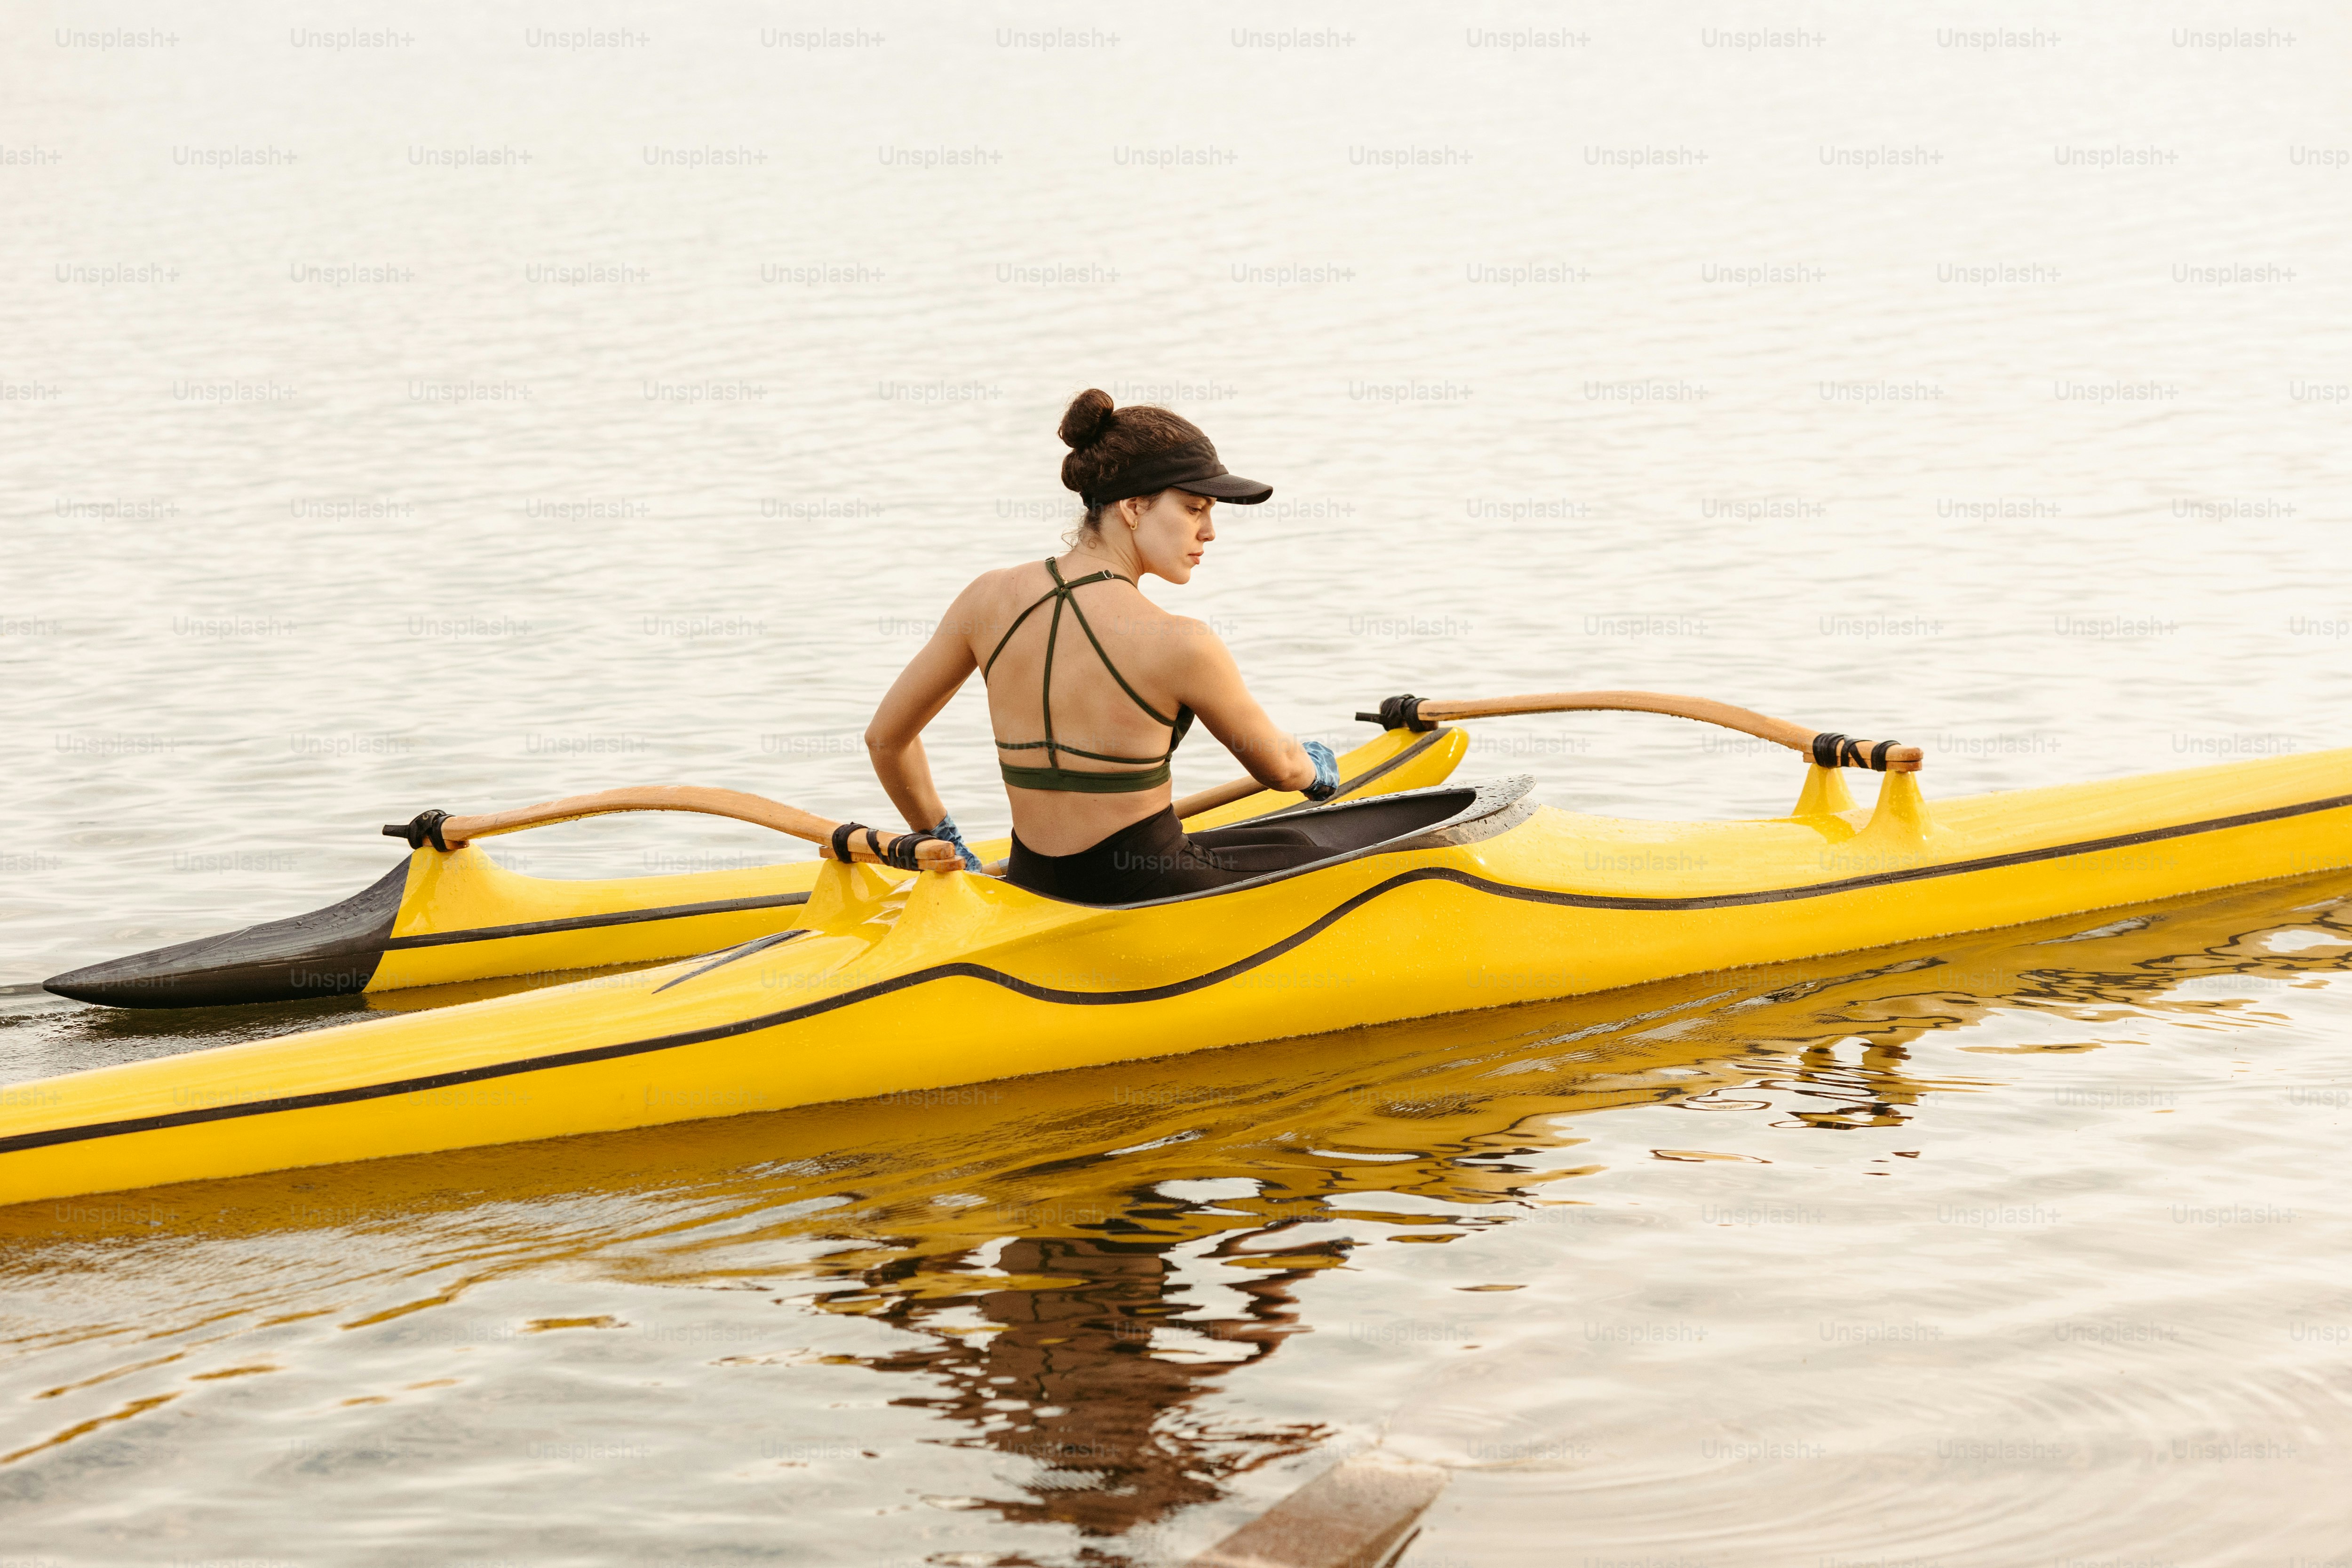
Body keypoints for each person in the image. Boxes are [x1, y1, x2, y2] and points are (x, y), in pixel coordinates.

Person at [861, 388, 1340, 903]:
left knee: (1274, 840)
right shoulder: (1183, 643)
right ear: (1133, 507)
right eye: (1194, 508)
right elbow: (1280, 770)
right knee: (1311, 846)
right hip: (1145, 888)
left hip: (1032, 883)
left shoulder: (986, 598)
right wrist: (1316, 768)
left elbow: (886, 739)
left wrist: (946, 841)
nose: (1209, 531)